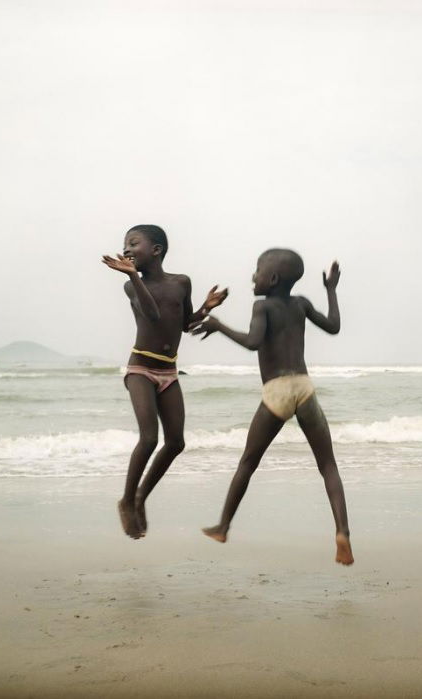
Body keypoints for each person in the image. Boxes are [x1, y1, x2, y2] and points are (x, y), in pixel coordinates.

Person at [190, 249, 353, 565]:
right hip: (304, 388)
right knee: (328, 465)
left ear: (273, 278)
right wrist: (331, 290)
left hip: (277, 391)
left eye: (258, 270)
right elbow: (333, 326)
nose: (253, 275)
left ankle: (223, 526)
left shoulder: (261, 306)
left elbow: (253, 342)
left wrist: (219, 326)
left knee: (248, 462)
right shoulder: (302, 304)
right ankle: (342, 533)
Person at [102, 224, 227, 539]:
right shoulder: (132, 287)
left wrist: (205, 309)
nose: (127, 249)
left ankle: (143, 496)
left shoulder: (181, 282)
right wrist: (132, 275)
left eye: (134, 243)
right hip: (140, 370)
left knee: (176, 443)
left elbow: (183, 323)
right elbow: (153, 315)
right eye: (125, 244)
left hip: (169, 372)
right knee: (148, 439)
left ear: (156, 250)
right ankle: (127, 501)